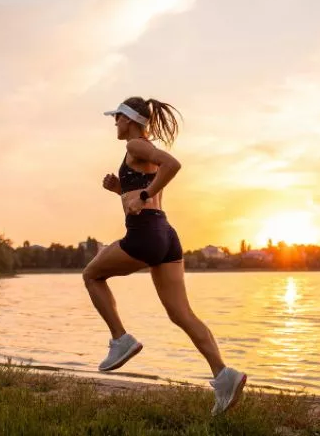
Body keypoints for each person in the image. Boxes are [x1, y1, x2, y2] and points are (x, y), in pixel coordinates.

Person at [82, 96, 247, 416]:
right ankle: (224, 376)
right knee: (181, 313)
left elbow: (173, 165)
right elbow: (150, 188)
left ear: (128, 120)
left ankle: (121, 339)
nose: (114, 124)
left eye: (116, 118)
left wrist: (140, 195)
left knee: (91, 275)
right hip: (166, 236)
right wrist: (121, 190)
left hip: (145, 234)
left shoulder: (136, 146)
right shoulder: (139, 153)